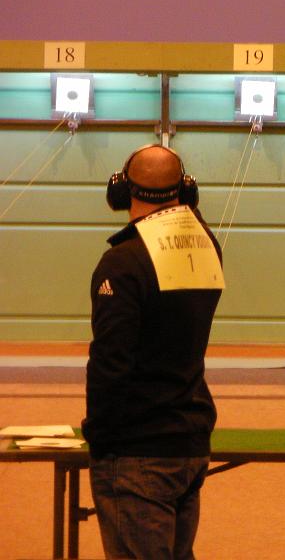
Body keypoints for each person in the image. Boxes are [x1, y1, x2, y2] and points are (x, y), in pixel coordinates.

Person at [82, 144, 225, 560]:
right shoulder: (207, 248)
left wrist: (99, 437)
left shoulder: (122, 263)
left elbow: (110, 364)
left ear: (121, 191)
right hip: (189, 439)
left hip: (137, 449)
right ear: (187, 190)